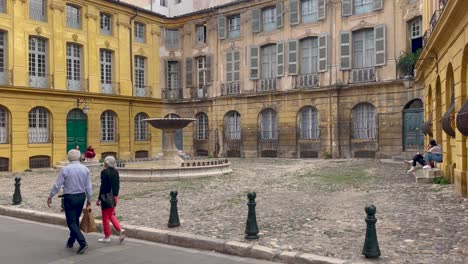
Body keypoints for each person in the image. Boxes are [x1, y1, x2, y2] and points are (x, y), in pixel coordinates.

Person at [47, 149, 92, 254]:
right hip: (81, 196)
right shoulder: (85, 169)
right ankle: (71, 241)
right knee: (75, 220)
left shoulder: (65, 169)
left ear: (69, 158)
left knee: (71, 222)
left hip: (70, 197)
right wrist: (89, 199)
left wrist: (51, 195)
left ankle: (82, 243)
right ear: (79, 157)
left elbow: (57, 185)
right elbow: (88, 186)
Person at [96, 156, 125, 243]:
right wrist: (116, 195)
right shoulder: (116, 172)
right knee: (111, 214)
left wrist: (99, 198)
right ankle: (120, 229)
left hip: (107, 196)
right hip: (114, 196)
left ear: (107, 163)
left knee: (105, 217)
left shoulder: (104, 172)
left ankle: (107, 236)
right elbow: (117, 185)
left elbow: (103, 186)